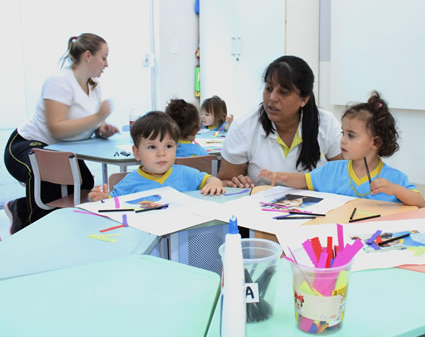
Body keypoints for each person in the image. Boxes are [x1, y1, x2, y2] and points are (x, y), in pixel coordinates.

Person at [3, 33, 119, 234]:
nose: (107, 64)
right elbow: (56, 128)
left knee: (85, 183)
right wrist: (97, 118)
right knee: (46, 177)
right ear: (88, 55)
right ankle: (30, 228)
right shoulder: (59, 81)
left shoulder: (94, 85)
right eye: (104, 57)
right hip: (27, 144)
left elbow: (87, 122)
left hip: (60, 150)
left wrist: (101, 128)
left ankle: (22, 207)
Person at [259, 92, 425, 207]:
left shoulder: (394, 177)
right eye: (343, 133)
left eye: (351, 135)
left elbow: (419, 202)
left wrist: (395, 189)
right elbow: (304, 181)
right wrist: (280, 176)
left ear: (376, 143)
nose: (343, 140)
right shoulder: (332, 170)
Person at [219, 55, 343, 187]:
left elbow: (345, 176)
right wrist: (235, 184)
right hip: (259, 205)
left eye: (283, 92)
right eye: (268, 88)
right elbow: (224, 182)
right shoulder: (244, 126)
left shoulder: (326, 123)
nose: (272, 98)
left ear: (304, 100)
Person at [89, 111, 224, 201]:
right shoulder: (129, 183)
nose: (161, 153)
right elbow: (111, 204)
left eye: (168, 146)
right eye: (152, 147)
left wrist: (214, 184)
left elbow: (211, 180)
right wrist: (101, 199)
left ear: (176, 149)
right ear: (137, 153)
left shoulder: (185, 173)